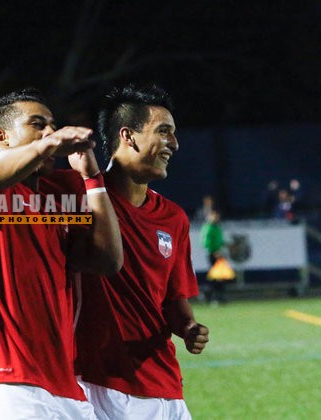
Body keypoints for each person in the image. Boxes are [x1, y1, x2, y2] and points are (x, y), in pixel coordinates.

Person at [0, 89, 122, 419]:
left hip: (65, 382)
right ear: (1, 137)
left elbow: (108, 261)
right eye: (37, 124)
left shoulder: (54, 202)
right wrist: (50, 144)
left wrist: (92, 179)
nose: (49, 132)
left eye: (52, 126)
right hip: (7, 379)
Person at [74, 84, 209, 419]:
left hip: (167, 386)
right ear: (128, 136)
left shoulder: (173, 218)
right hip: (102, 385)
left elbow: (173, 299)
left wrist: (189, 327)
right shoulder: (77, 200)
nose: (174, 144)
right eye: (163, 131)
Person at [200, 208, 229, 304]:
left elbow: (219, 240)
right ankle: (212, 297)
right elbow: (206, 242)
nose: (216, 217)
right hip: (213, 254)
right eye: (214, 215)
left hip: (219, 254)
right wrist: (214, 251)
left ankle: (216, 296)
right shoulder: (208, 227)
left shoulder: (217, 227)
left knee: (220, 276)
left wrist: (226, 245)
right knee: (215, 277)